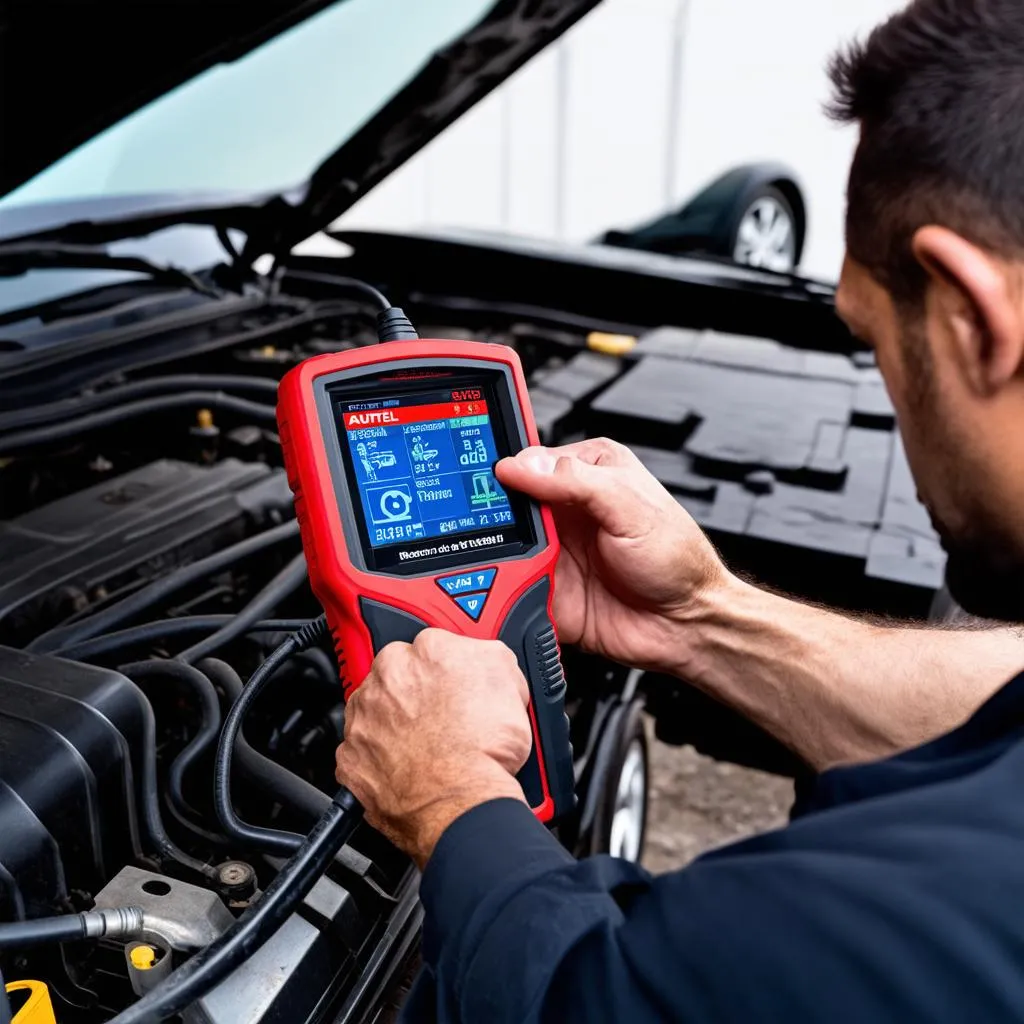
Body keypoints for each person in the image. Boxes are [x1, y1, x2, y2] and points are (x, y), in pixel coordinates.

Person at [336, 1, 1024, 1019]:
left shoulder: (885, 910)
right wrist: (701, 615)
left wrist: (449, 800)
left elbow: (596, 996)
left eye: (871, 340)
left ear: (971, 316)